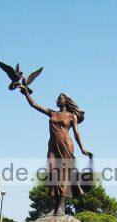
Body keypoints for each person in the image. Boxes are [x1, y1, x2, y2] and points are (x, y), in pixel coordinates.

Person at [19, 86, 93, 215]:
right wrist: (25, 92)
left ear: (66, 101)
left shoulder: (71, 116)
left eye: (60, 98)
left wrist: (82, 148)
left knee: (63, 175)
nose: (57, 100)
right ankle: (53, 207)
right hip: (52, 146)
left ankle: (61, 207)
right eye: (57, 99)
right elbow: (34, 104)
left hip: (66, 144)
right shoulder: (52, 113)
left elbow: (76, 134)